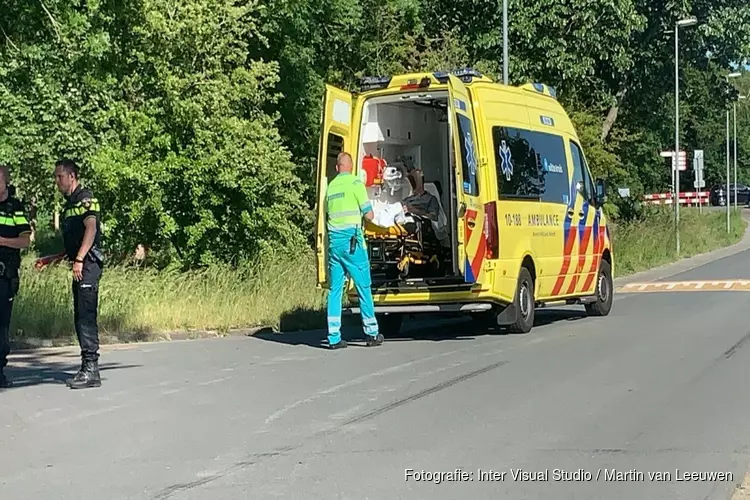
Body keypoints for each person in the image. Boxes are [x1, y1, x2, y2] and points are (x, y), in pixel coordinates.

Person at [53, 159, 105, 389]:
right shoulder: (69, 204)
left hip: (89, 265)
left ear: (71, 176)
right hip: (80, 263)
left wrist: (80, 259)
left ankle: (92, 370)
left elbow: (91, 229)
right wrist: (55, 257)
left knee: (86, 315)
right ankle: (86, 367)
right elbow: (75, 238)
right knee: (79, 315)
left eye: (59, 177)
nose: (57, 182)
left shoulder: (85, 198)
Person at [325, 152, 383, 349]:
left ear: (337, 168)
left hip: (334, 245)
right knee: (363, 287)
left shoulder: (331, 187)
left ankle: (333, 337)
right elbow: (368, 215)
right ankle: (372, 333)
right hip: (352, 244)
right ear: (351, 167)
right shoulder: (355, 183)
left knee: (334, 290)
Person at [0, 166, 31, 388]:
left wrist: (2, 241)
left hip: (5, 274)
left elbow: (25, 241)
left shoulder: (15, 207)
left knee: (1, 325)